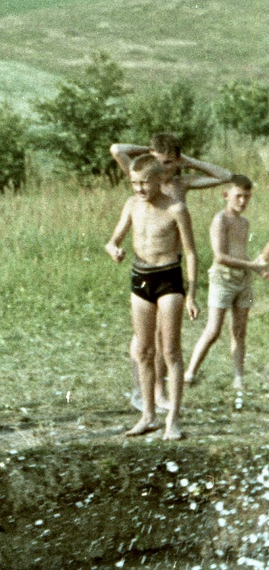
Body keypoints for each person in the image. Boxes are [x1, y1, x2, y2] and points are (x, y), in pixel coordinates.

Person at [110, 134, 234, 410]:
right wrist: (151, 153)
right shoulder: (142, 182)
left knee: (165, 341)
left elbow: (225, 175)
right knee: (147, 339)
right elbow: (117, 149)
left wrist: (185, 160)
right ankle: (148, 394)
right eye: (157, 162)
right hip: (146, 266)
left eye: (168, 163)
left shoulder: (181, 184)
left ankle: (155, 395)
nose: (162, 168)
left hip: (171, 265)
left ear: (177, 162)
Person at [105, 153, 201, 440]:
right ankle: (148, 415)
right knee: (144, 351)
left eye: (145, 183)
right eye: (134, 183)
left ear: (160, 179)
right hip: (140, 277)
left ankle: (173, 418)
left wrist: (192, 293)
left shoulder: (176, 209)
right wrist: (113, 250)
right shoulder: (132, 205)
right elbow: (114, 239)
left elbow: (192, 254)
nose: (139, 189)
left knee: (170, 350)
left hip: (169, 277)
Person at [185, 175, 267, 402]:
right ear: (226, 195)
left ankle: (238, 378)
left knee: (239, 331)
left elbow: (240, 253)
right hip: (222, 279)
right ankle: (190, 373)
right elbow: (220, 256)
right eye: (238, 196)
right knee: (214, 330)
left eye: (247, 196)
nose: (242, 201)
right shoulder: (220, 220)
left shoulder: (244, 222)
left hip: (243, 280)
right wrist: (254, 265)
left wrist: (258, 268)